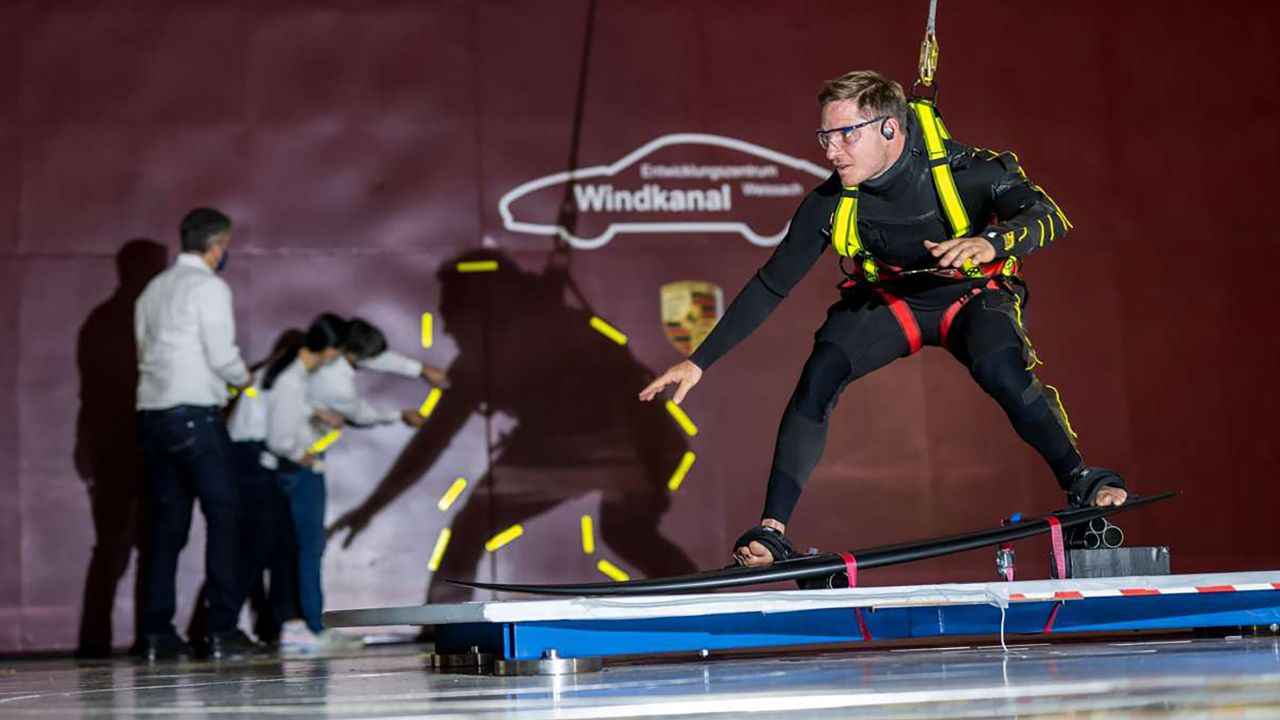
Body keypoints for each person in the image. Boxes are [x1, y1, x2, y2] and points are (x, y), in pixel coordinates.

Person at [638, 71, 1128, 567]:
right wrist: (699, 362)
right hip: (890, 302)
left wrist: (991, 242)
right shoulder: (830, 203)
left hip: (970, 295)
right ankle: (772, 532)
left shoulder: (967, 171)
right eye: (825, 136)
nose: (831, 151)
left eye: (846, 134)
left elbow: (1048, 214)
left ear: (889, 130)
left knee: (1002, 370)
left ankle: (1081, 479)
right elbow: (771, 284)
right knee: (819, 376)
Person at [133, 207, 261, 660]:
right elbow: (221, 354)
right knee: (226, 516)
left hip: (152, 414)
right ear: (216, 245)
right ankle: (221, 630)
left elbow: (146, 350)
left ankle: (156, 634)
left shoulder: (151, 290)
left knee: (167, 527)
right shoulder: (207, 286)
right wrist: (245, 380)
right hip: (194, 414)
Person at [258, 313, 359, 653]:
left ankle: (301, 623)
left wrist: (315, 414)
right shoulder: (292, 379)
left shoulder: (292, 375)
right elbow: (281, 438)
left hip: (283, 471)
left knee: (293, 549)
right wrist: (305, 454)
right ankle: (311, 625)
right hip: (296, 470)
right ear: (331, 351)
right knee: (308, 547)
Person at [308, 317, 447, 432]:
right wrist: (400, 415)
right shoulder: (339, 388)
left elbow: (371, 356)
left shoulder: (335, 335)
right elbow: (361, 416)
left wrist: (421, 369)